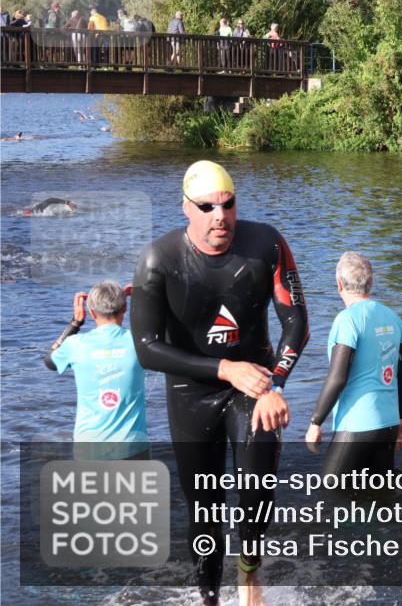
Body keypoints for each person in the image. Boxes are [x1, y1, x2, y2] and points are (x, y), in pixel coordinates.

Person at [130, 160, 309, 606]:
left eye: (227, 205)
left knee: (255, 490)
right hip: (192, 394)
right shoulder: (159, 260)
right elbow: (147, 349)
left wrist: (277, 384)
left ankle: (249, 576)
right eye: (207, 207)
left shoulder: (265, 243)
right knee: (205, 509)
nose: (220, 217)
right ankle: (209, 598)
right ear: (186, 208)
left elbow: (297, 323)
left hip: (255, 388)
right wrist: (225, 368)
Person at [305, 252, 402, 490]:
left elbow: (337, 376)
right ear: (370, 283)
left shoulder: (348, 320)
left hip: (357, 426)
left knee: (329, 496)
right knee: (379, 499)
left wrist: (316, 422)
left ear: (339, 284)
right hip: (388, 425)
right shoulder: (393, 318)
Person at [44, 281, 150, 460]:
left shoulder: (75, 345)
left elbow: (50, 361)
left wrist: (75, 323)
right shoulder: (139, 342)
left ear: (92, 312)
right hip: (132, 448)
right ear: (124, 308)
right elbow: (169, 337)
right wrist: (144, 300)